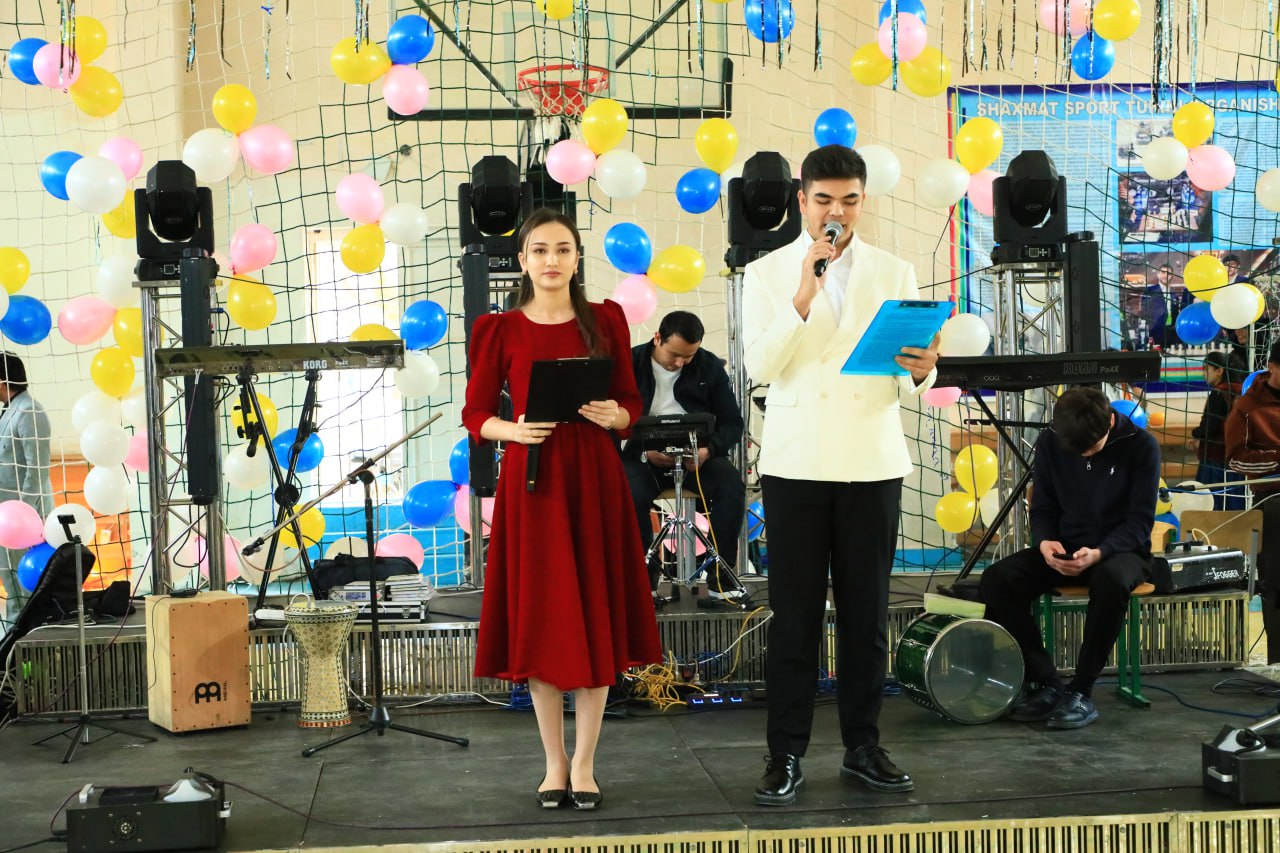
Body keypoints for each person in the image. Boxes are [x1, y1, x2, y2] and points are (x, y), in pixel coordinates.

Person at [742, 145, 939, 805]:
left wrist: (924, 368)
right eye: (824, 199)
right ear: (802, 201)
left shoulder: (894, 269)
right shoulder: (767, 272)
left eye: (849, 200)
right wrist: (805, 292)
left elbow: (912, 369)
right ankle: (785, 752)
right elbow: (759, 367)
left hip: (871, 458)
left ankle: (863, 744)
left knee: (866, 615)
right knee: (794, 617)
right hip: (796, 462)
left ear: (862, 201)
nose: (837, 212)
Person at [461, 208, 662, 810]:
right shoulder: (498, 328)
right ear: (523, 260)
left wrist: (616, 416)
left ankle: (585, 764)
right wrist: (513, 432)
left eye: (563, 250)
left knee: (594, 615)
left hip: (594, 477)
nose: (552, 260)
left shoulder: (607, 318)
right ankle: (553, 763)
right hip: (534, 481)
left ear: (577, 259)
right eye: (540, 250)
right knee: (543, 618)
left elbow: (630, 404)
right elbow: (475, 414)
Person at [980, 387, 1159, 729]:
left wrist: (1099, 552)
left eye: (1091, 447)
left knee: (1112, 581)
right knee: (997, 580)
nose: (1085, 455)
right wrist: (1045, 542)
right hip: (1064, 547)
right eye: (1077, 450)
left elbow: (1139, 523)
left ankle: (1081, 690)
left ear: (1110, 422)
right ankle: (1047, 682)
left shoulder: (1142, 446)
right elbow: (1043, 506)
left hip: (1120, 551)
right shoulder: (1050, 441)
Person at [620, 310, 746, 603]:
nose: (680, 363)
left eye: (688, 357)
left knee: (731, 486)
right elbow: (611, 417)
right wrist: (643, 448)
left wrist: (708, 450)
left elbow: (732, 422)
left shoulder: (709, 366)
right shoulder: (629, 363)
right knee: (627, 491)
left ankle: (720, 579)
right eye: (674, 355)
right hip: (643, 454)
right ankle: (643, 579)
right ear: (657, 338)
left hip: (696, 456)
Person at [1225, 340, 1280, 664]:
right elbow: (1236, 460)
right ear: (1272, 367)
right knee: (1276, 580)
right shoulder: (1247, 407)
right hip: (1272, 499)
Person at [0, 354, 52, 632]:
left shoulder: (30, 412)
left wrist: (24, 514)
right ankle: (12, 643)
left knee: (26, 587)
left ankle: (28, 642)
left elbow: (37, 470)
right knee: (12, 585)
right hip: (6, 520)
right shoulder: (9, 411)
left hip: (25, 522)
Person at [1188, 351, 1246, 511]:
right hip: (1237, 459)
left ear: (1219, 370)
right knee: (1236, 504)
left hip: (1216, 460)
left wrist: (1197, 434)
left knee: (1211, 505)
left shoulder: (1218, 393)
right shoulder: (1242, 390)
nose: (1203, 374)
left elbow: (1210, 426)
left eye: (1206, 369)